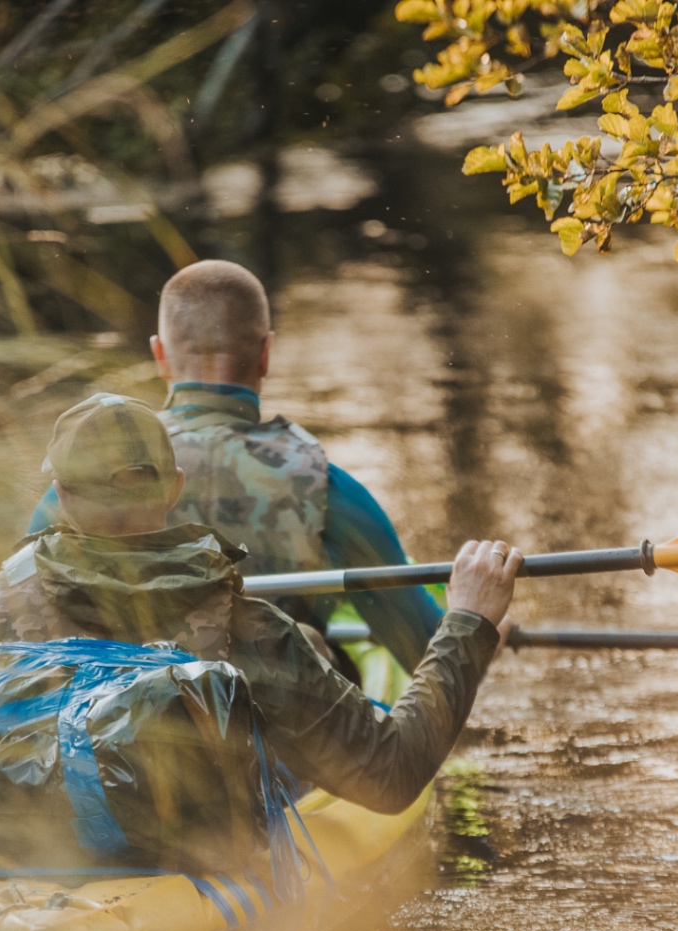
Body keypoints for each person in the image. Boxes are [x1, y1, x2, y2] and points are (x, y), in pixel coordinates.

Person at [0, 395, 520, 871]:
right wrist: (469, 622)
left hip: (29, 865)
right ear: (174, 488)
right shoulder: (250, 630)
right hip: (189, 859)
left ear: (61, 499)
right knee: (303, 685)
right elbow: (392, 777)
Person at [27, 259, 444, 671]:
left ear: (160, 354)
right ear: (266, 354)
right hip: (277, 720)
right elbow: (427, 652)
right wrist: (480, 621)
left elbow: (28, 619)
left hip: (121, 716)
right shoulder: (324, 487)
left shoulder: (77, 484)